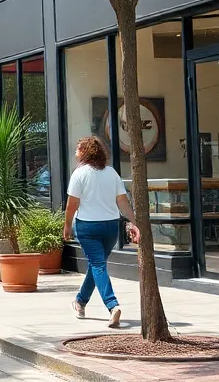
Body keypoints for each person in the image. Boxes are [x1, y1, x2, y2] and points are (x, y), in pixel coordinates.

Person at [63, 136, 140, 329]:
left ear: (85, 152)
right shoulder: (111, 173)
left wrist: (66, 226)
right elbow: (122, 201)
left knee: (97, 265)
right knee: (97, 265)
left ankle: (112, 306)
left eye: (78, 149)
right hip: (110, 227)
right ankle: (80, 302)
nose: (75, 152)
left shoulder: (79, 174)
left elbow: (72, 205)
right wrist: (134, 222)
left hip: (88, 227)